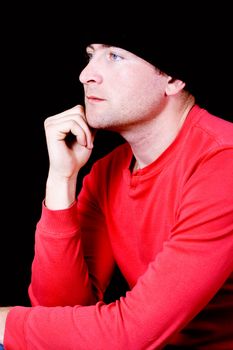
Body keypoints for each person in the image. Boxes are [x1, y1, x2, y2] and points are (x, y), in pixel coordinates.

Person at [0, 20, 233, 349]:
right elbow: (59, 316)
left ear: (173, 78)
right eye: (91, 54)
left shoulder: (223, 162)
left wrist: (6, 323)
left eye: (115, 56)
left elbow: (133, 333)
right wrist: (61, 179)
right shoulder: (106, 173)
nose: (86, 74)